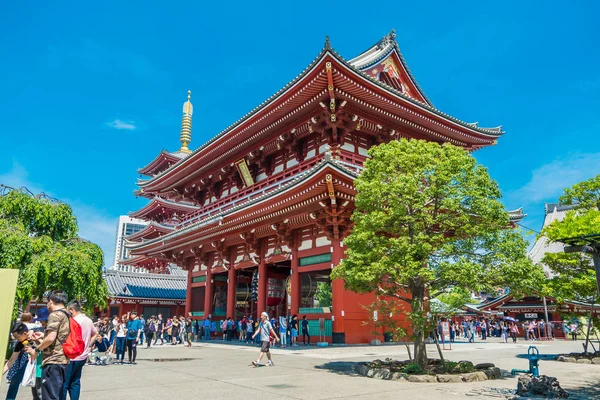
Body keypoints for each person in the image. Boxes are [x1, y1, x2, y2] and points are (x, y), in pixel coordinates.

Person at [25, 290, 71, 400]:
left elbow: (51, 338)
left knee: (49, 396)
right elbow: (60, 335)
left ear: (50, 302)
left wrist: (36, 350)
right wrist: (43, 335)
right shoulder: (67, 314)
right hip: (63, 360)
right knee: (57, 394)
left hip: (53, 360)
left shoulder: (55, 315)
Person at [61, 300, 97, 400]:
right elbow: (95, 334)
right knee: (75, 382)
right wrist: (88, 345)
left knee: (64, 383)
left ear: (72, 310)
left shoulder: (73, 321)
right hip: (82, 356)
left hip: (71, 356)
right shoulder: (88, 320)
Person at [4, 322, 30, 400]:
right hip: (21, 364)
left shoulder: (36, 336)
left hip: (38, 366)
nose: (16, 339)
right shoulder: (20, 343)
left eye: (17, 337)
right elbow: (11, 360)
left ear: (24, 333)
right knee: (14, 384)